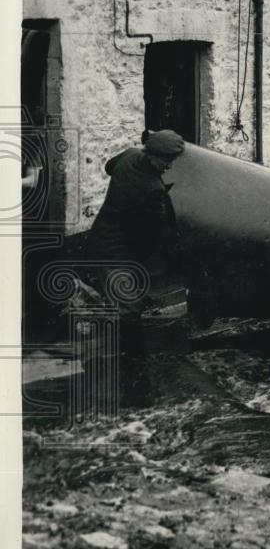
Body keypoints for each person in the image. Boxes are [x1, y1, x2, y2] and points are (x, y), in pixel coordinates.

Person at [86, 130, 185, 388]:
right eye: (166, 161)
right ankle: (133, 371)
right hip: (114, 248)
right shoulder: (152, 189)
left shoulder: (129, 156)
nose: (168, 166)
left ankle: (128, 358)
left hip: (106, 235)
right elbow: (157, 233)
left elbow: (109, 166)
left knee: (127, 301)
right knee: (128, 308)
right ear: (152, 155)